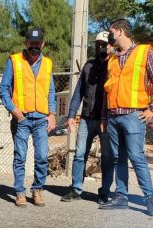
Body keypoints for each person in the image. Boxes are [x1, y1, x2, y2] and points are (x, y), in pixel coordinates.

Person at [98, 19, 153, 216]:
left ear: (119, 32)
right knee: (119, 158)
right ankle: (121, 197)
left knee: (136, 157)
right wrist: (104, 117)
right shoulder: (112, 59)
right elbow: (107, 91)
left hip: (134, 115)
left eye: (111, 32)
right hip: (113, 115)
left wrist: (152, 108)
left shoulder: (144, 52)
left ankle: (150, 199)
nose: (109, 37)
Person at [60, 31, 125, 204]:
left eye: (104, 44)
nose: (100, 47)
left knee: (107, 157)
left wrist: (114, 53)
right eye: (97, 44)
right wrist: (71, 115)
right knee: (80, 154)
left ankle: (104, 191)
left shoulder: (116, 65)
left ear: (111, 45)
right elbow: (78, 92)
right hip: (87, 119)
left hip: (106, 120)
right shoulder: (88, 66)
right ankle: (76, 188)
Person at [0, 27, 57, 207]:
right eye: (31, 43)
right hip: (21, 119)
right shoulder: (14, 61)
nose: (34, 46)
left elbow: (51, 91)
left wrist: (53, 114)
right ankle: (19, 192)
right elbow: (3, 89)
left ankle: (37, 189)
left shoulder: (47, 63)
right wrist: (13, 109)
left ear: (43, 44)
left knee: (41, 156)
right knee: (20, 157)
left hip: (41, 118)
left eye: (37, 43)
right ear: (25, 43)